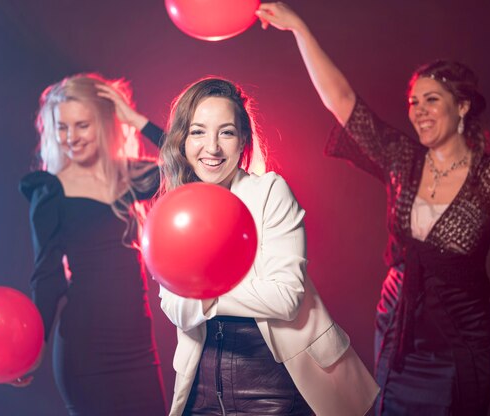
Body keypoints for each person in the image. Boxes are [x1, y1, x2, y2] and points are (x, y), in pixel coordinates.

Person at [256, 3, 490, 416]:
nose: (419, 111)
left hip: (460, 340)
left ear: (462, 106)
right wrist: (301, 30)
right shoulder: (403, 160)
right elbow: (341, 102)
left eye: (432, 99)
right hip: (398, 328)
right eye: (413, 102)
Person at [157, 77, 380, 416]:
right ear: (182, 139)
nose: (212, 147)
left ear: (243, 138)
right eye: (198, 132)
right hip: (200, 393)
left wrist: (202, 293)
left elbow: (286, 298)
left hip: (275, 389)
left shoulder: (269, 193)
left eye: (227, 132)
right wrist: (231, 295)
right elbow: (177, 309)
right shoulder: (173, 210)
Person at [17, 73, 168, 415]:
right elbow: (48, 277)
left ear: (103, 123)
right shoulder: (49, 191)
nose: (71, 137)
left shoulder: (130, 175)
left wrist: (136, 120)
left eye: (82, 125)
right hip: (85, 349)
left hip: (138, 344)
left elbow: (192, 165)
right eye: (62, 128)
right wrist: (32, 346)